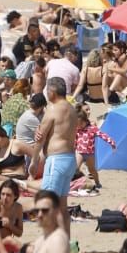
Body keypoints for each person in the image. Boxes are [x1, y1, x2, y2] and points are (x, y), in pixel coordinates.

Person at [33, 75, 79, 203]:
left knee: (48, 202)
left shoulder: (53, 109)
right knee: (62, 205)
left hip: (56, 159)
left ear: (51, 92)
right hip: (70, 159)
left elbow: (40, 137)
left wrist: (34, 161)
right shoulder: (72, 109)